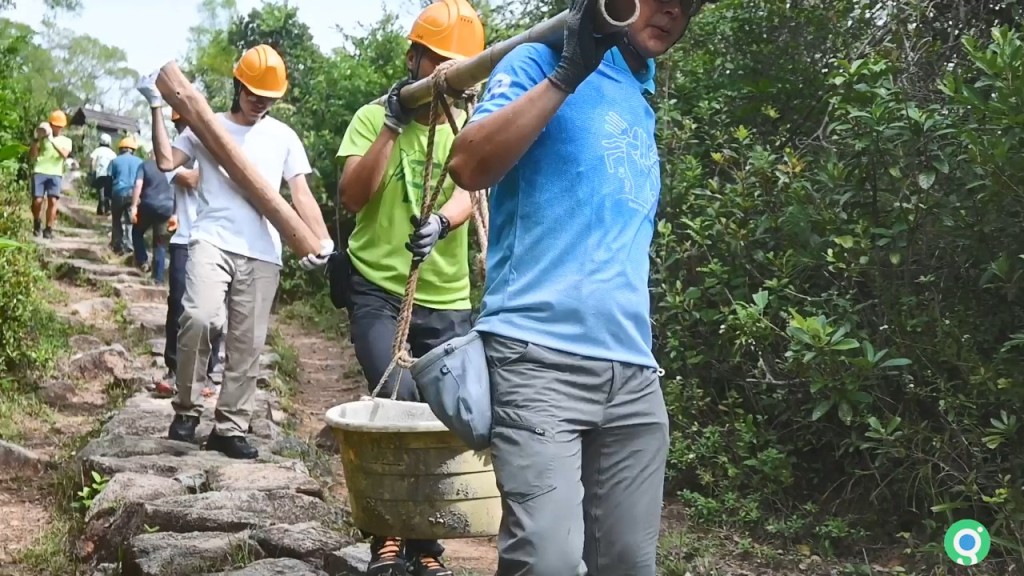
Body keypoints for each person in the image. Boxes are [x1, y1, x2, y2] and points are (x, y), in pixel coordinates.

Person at [446, 0, 716, 573]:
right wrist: (567, 76)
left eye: (687, 4)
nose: (672, 11)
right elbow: (469, 166)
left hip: (633, 373)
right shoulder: (536, 60)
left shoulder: (640, 95)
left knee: (627, 563)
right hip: (537, 358)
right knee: (547, 560)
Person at [334, 1, 484, 574]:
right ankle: (387, 537)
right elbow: (353, 196)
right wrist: (394, 125)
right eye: (436, 62)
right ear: (414, 58)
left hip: (446, 297)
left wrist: (443, 221)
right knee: (397, 398)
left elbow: (474, 187)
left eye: (458, 67)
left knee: (445, 418)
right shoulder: (372, 119)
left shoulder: (469, 125)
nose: (445, 77)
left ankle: (425, 545)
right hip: (378, 290)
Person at [136, 43, 334, 460]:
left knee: (247, 342)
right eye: (252, 93)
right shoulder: (205, 127)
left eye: (268, 97)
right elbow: (166, 161)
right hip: (211, 238)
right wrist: (157, 107)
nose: (259, 102)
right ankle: (187, 411)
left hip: (263, 250)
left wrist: (322, 241)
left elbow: (301, 194)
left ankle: (230, 427)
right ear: (238, 85)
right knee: (198, 317)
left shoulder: (284, 136)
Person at [155, 109, 225, 399]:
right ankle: (174, 370)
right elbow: (192, 180)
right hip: (185, 238)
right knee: (178, 306)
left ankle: (207, 372)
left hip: (216, 239)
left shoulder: (217, 148)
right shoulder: (175, 159)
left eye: (188, 122)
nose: (184, 127)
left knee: (213, 312)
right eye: (180, 124)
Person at [28, 110, 72, 239]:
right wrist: (36, 140)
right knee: (37, 200)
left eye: (59, 126)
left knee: (53, 201)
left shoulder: (66, 141)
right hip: (40, 170)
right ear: (50, 124)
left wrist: (52, 141)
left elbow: (64, 155)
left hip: (55, 173)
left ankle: (49, 228)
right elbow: (32, 155)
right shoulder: (43, 138)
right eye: (55, 125)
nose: (57, 128)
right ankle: (37, 222)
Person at [130, 155, 175, 283]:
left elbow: (138, 184)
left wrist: (134, 206)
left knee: (137, 232)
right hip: (167, 208)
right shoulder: (172, 168)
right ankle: (158, 279)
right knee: (160, 243)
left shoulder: (145, 165)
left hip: (148, 205)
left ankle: (143, 260)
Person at [107, 136, 144, 254]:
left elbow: (108, 179)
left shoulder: (115, 161)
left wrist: (107, 197)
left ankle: (117, 244)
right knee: (130, 220)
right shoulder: (140, 162)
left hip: (118, 193)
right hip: (134, 194)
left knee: (116, 219)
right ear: (132, 150)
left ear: (121, 149)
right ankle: (129, 245)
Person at [88, 133, 116, 215]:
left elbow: (92, 162)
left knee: (101, 192)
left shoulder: (97, 150)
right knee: (107, 192)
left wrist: (91, 171)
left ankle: (101, 209)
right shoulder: (112, 153)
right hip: (109, 175)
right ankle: (106, 209)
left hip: (99, 174)